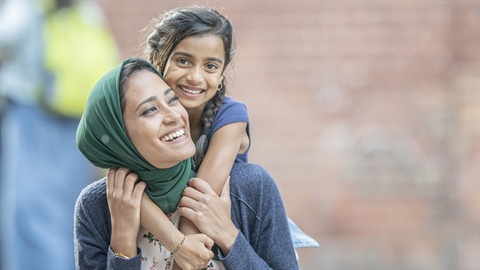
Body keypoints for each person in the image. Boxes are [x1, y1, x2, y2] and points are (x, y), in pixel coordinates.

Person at [74, 57, 299, 269]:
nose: (174, 115)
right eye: (150, 109)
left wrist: (230, 238)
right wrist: (122, 242)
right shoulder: (97, 207)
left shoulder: (248, 186)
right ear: (117, 136)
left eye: (172, 99)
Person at [143, 5, 318, 251]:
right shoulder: (140, 115)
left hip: (227, 236)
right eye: (183, 61)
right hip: (164, 239)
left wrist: (182, 254)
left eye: (210, 67)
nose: (195, 77)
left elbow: (200, 200)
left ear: (222, 72)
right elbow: (127, 186)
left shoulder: (231, 116)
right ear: (157, 59)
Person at [0, 0, 117, 268]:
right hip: (76, 114)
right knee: (69, 207)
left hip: (33, 112)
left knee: (27, 210)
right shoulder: (85, 9)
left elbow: (5, 34)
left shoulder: (28, 6)